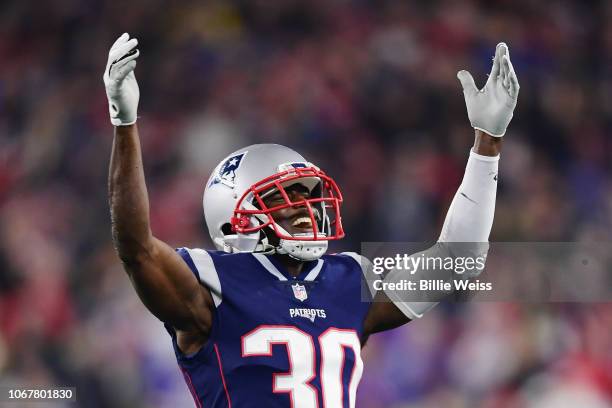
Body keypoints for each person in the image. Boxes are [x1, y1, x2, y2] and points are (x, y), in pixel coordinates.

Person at [104, 33, 519, 407]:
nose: (306, 210)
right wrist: (126, 126)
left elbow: (456, 261)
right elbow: (136, 249)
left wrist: (487, 144)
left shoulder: (345, 279)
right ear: (234, 219)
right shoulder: (211, 282)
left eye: (310, 197)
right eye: (284, 199)